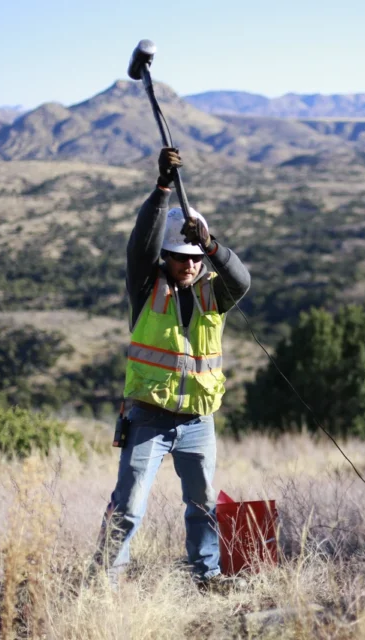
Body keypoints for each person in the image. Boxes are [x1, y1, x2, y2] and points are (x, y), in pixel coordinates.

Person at [95, 147, 251, 589]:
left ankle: (208, 575)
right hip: (148, 416)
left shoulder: (212, 293)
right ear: (165, 255)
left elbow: (242, 280)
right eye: (181, 256)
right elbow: (138, 244)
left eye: (195, 258)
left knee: (202, 504)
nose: (189, 265)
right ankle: (105, 582)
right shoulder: (147, 285)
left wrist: (211, 244)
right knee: (128, 506)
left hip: (199, 420)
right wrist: (162, 189)